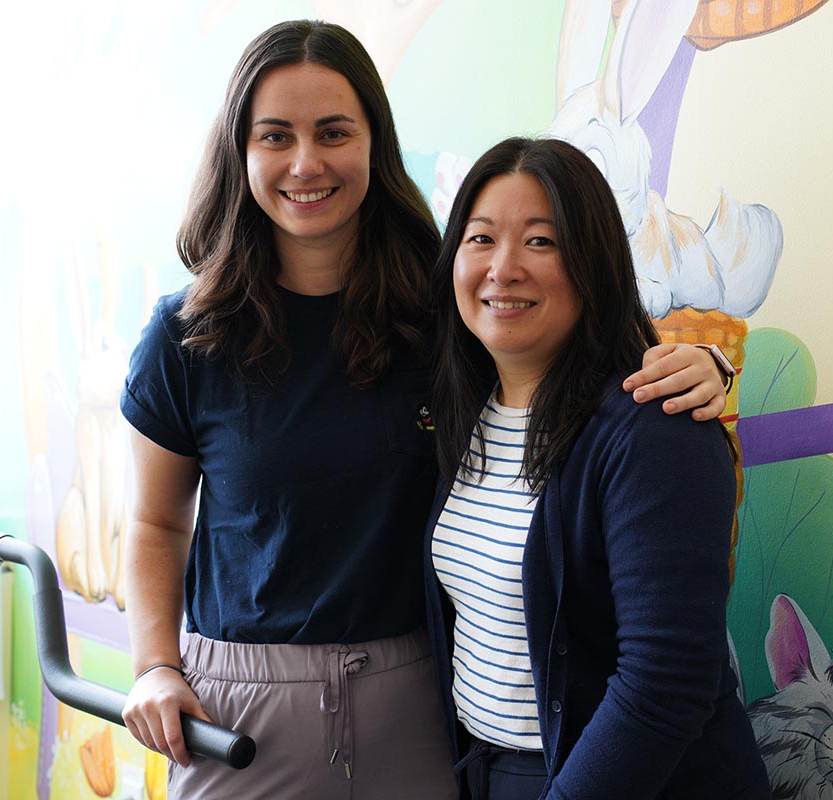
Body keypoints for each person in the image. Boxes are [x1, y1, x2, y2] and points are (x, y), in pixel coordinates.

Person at [119, 20, 731, 799]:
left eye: (334, 132)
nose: (306, 162)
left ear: (375, 142)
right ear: (239, 152)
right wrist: (153, 666)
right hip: (243, 703)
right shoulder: (186, 337)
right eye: (276, 135)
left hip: (417, 702)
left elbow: (574, 353)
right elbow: (155, 523)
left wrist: (702, 365)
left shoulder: (438, 317)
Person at [425, 136, 769, 799]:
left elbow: (666, 681)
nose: (504, 267)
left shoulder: (653, 427)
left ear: (595, 264)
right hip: (495, 772)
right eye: (481, 239)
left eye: (541, 241)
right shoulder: (458, 414)